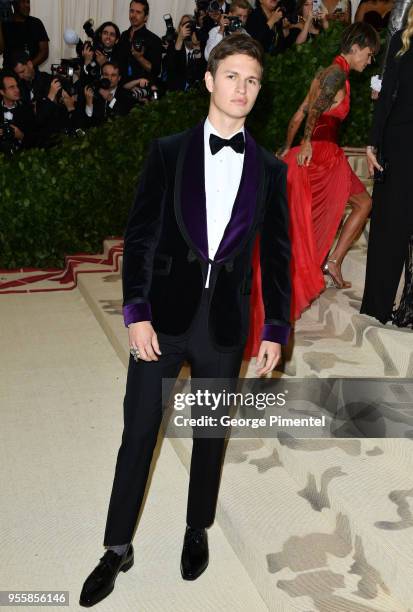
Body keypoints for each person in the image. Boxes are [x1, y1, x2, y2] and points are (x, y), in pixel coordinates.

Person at [79, 32, 291, 608]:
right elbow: (142, 238)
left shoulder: (270, 169)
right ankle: (116, 547)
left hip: (224, 328)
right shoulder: (168, 150)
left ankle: (196, 527)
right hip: (162, 322)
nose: (241, 88)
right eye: (232, 76)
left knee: (209, 436)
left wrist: (275, 329)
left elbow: (277, 257)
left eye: (252, 80)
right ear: (209, 80)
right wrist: (136, 314)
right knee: (138, 432)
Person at [361, 14, 413, 326]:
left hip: (399, 141)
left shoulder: (402, 42)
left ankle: (397, 307)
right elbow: (385, 99)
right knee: (388, 226)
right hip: (398, 145)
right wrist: (372, 143)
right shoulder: (401, 42)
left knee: (394, 226)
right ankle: (377, 307)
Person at [118, 0, 163, 84]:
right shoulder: (123, 36)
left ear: (146, 17)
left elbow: (155, 71)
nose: (134, 15)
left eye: (138, 12)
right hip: (121, 86)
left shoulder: (154, 40)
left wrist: (139, 58)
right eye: (132, 11)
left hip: (143, 87)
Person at [0, 0, 49, 69]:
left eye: (28, 2)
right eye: (23, 2)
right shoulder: (5, 24)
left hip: (31, 73)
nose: (27, 5)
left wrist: (28, 67)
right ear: (14, 4)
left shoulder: (36, 23)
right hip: (9, 74)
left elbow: (44, 52)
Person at [164, 14, 206, 91]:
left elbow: (201, 73)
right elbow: (171, 68)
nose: (187, 28)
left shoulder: (202, 46)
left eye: (190, 25)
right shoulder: (173, 46)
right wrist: (180, 39)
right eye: (184, 25)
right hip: (175, 93)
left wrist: (196, 46)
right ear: (180, 28)